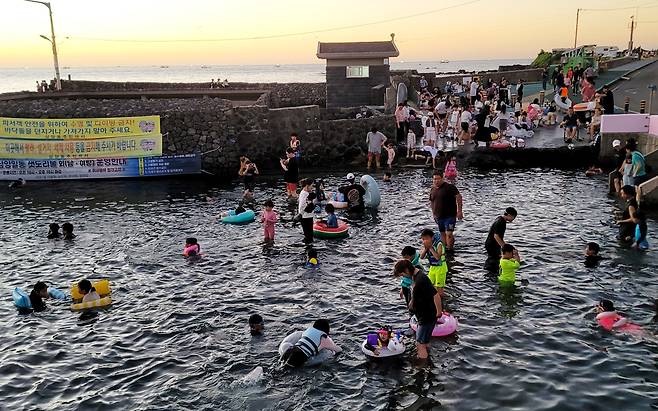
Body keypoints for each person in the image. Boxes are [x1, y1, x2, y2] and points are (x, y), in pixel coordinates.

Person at [404, 259, 441, 359]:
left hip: (426, 316)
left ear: (407, 270)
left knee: (419, 344)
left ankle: (422, 366)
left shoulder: (421, 279)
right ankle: (429, 362)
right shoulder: (416, 277)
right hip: (424, 315)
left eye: (402, 274)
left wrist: (439, 311)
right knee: (425, 341)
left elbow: (436, 294)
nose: (403, 277)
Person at [428, 170, 463, 252]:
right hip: (439, 216)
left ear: (442, 178)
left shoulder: (450, 187)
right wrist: (433, 213)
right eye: (434, 179)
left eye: (438, 179)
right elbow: (431, 201)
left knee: (449, 234)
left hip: (450, 215)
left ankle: (450, 250)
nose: (436, 181)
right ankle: (445, 249)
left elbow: (459, 197)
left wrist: (459, 211)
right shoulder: (432, 189)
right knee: (442, 234)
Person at [484, 207, 518, 273]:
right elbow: (496, 236)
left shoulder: (499, 219)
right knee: (494, 259)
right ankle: (490, 272)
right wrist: (504, 248)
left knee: (494, 258)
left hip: (490, 243)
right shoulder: (501, 222)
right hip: (492, 244)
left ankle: (490, 272)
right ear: (509, 215)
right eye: (513, 217)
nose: (513, 219)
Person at [420, 229, 447, 296]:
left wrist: (431, 248)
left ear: (432, 238)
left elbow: (438, 257)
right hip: (432, 268)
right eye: (423, 239)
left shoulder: (439, 244)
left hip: (440, 268)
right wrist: (426, 249)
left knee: (439, 289)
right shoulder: (427, 245)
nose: (425, 241)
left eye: (427, 238)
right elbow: (421, 257)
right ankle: (435, 300)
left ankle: (444, 301)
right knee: (430, 286)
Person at [298, 178, 315, 243]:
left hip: (307, 216)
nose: (312, 187)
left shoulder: (304, 192)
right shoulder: (305, 194)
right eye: (311, 186)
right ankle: (308, 248)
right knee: (309, 235)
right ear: (307, 185)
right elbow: (302, 206)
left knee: (308, 235)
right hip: (306, 217)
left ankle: (308, 247)